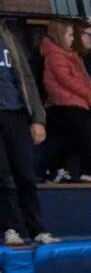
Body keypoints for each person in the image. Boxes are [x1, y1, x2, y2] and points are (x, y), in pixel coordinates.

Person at [38, 23, 91, 184]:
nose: (72, 39)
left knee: (77, 139)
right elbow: (66, 79)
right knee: (87, 135)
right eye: (70, 35)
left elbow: (82, 78)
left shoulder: (68, 55)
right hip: (66, 104)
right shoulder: (56, 56)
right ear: (60, 36)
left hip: (75, 102)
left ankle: (76, 171)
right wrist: (88, 93)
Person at [0, 17, 51, 244]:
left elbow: (26, 78)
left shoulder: (8, 37)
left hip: (16, 113)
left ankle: (37, 229)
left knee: (25, 174)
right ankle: (11, 228)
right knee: (3, 176)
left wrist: (37, 118)